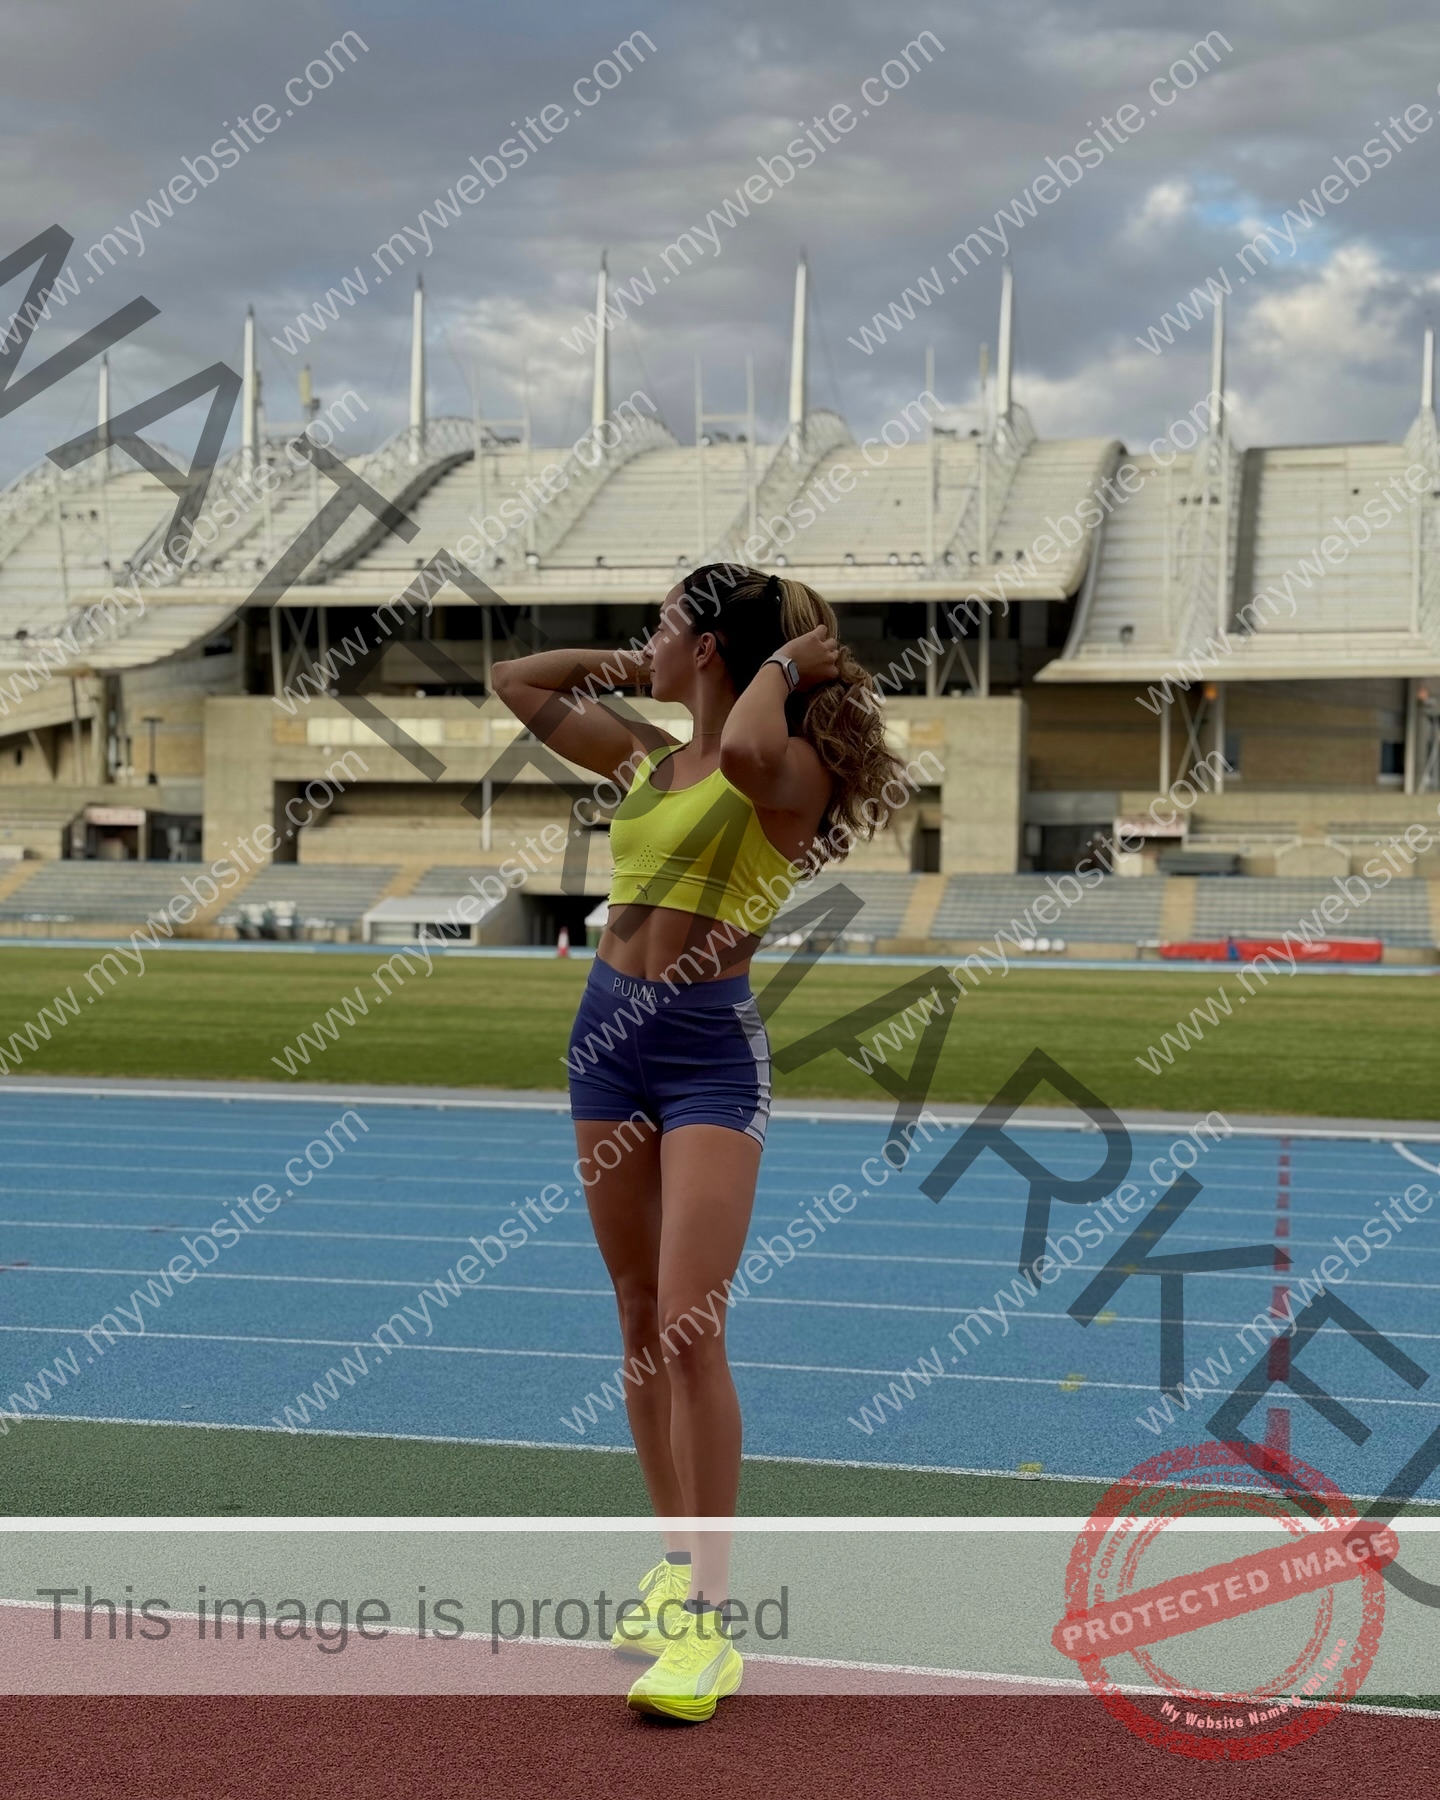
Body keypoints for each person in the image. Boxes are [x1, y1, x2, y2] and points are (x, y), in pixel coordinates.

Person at [492, 563, 899, 1721]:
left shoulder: (788, 768)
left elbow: (752, 754)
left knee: (688, 1327)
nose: (645, 644)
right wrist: (639, 667)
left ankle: (712, 1631)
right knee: (633, 1312)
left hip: (709, 1056)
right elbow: (518, 681)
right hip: (604, 1047)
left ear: (714, 648)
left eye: (665, 627)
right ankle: (675, 1571)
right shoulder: (647, 759)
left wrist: (779, 665)